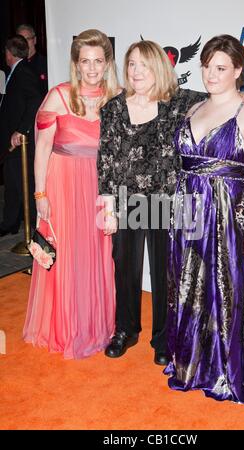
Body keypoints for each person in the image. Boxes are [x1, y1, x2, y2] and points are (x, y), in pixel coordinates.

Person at [98, 40, 244, 366]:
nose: (136, 71)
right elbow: (106, 159)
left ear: (158, 67)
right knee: (125, 270)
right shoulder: (114, 107)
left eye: (144, 64)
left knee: (165, 275)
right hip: (127, 199)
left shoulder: (181, 102)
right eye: (131, 64)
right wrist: (108, 207)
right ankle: (125, 330)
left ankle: (163, 339)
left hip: (168, 201)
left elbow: (221, 98)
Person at [164, 34, 244, 405]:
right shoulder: (192, 109)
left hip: (229, 219)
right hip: (189, 212)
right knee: (191, 287)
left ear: (239, 70)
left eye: (221, 68)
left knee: (228, 291)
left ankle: (226, 369)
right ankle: (193, 360)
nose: (211, 74)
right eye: (207, 66)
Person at [23, 29, 118, 359]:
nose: (92, 68)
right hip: (62, 184)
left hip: (98, 187)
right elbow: (42, 149)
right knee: (67, 256)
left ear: (107, 63)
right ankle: (65, 327)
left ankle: (96, 325)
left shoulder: (116, 96)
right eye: (85, 62)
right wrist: (40, 195)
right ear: (76, 64)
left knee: (96, 255)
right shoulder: (59, 96)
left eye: (98, 61)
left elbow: (161, 103)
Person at [0, 35, 41, 237]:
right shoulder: (13, 72)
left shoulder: (24, 72)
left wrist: (22, 130)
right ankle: (10, 223)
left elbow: (35, 102)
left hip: (21, 142)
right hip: (11, 141)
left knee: (25, 186)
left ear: (9, 53)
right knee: (12, 185)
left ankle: (35, 229)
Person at [17, 24, 48, 97]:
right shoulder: (15, 66)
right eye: (21, 40)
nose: (24, 43)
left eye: (27, 39)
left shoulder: (45, 64)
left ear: (34, 40)